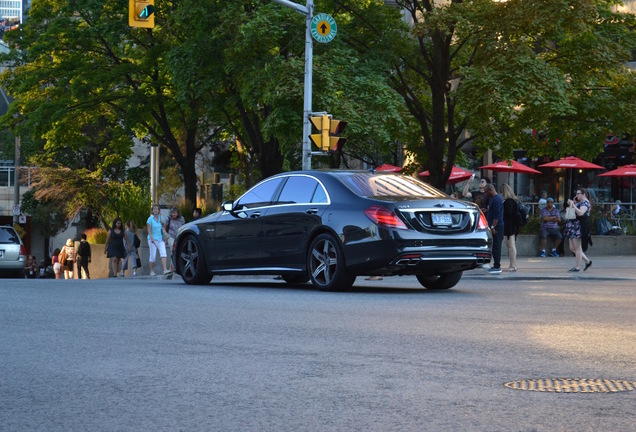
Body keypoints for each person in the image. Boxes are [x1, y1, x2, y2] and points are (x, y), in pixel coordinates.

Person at [564, 188, 592, 272]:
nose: (576, 196)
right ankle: (587, 261)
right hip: (573, 226)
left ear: (583, 194)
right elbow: (570, 212)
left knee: (578, 248)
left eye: (578, 194)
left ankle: (577, 267)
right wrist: (572, 204)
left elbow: (580, 212)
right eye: (576, 194)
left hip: (579, 227)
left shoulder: (585, 203)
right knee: (572, 248)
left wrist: (573, 205)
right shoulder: (579, 202)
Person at [485, 183, 504, 274]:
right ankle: (496, 265)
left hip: (497, 226)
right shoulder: (495, 199)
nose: (485, 194)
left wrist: (493, 227)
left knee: (496, 246)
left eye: (486, 192)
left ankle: (497, 266)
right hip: (495, 225)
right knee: (495, 246)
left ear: (490, 190)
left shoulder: (496, 200)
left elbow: (496, 216)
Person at [500, 183, 519, 272]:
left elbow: (508, 214)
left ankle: (512, 265)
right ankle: (512, 265)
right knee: (511, 245)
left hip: (509, 226)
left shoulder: (509, 202)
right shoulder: (513, 201)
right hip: (512, 225)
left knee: (511, 245)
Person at [147, 204, 170, 276]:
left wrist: (165, 238)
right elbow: (149, 229)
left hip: (160, 238)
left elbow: (163, 229)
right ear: (152, 211)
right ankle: (152, 271)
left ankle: (165, 270)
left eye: (157, 209)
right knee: (152, 256)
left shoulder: (161, 218)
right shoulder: (150, 219)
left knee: (163, 253)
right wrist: (151, 238)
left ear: (159, 210)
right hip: (152, 239)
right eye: (154, 209)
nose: (155, 210)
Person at [165, 207, 185, 271]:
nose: (174, 214)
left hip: (178, 236)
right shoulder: (168, 219)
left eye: (175, 213)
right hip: (170, 236)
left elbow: (184, 226)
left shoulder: (181, 219)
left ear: (177, 213)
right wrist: (165, 238)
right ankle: (172, 267)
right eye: (172, 213)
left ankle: (172, 267)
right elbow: (165, 228)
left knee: (176, 252)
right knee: (173, 251)